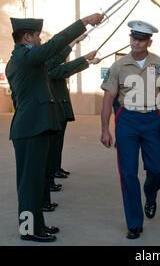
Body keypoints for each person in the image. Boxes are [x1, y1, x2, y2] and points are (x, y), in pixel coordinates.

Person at [6, 13, 103, 242]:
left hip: (34, 128)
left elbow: (55, 57)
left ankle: (37, 226)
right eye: (37, 36)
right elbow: (54, 46)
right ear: (27, 37)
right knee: (29, 184)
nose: (40, 40)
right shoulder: (24, 57)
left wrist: (80, 48)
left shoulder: (29, 59)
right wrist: (83, 22)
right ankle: (29, 230)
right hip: (30, 129)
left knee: (35, 181)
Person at [100, 20, 160, 240]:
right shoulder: (119, 66)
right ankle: (134, 223)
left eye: (141, 39)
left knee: (158, 169)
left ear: (149, 41)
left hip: (152, 118)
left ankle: (150, 194)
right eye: (133, 38)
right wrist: (105, 129)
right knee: (128, 173)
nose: (136, 42)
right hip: (127, 120)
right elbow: (109, 97)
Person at [42, 43, 100, 212]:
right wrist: (86, 60)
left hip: (60, 111)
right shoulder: (47, 68)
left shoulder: (50, 67)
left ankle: (54, 173)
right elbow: (65, 69)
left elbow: (64, 66)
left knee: (56, 146)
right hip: (52, 113)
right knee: (50, 151)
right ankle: (50, 181)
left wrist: (86, 59)